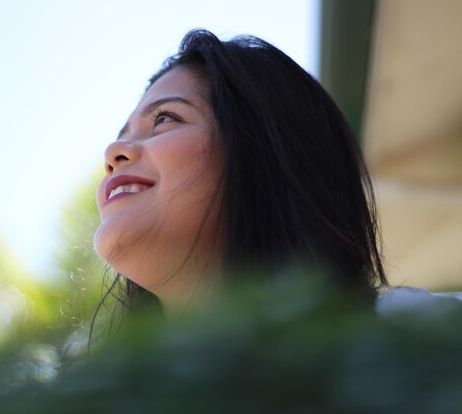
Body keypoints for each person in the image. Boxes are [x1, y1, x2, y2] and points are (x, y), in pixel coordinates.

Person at [92, 29, 388, 322]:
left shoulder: (408, 335)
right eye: (123, 134)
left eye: (164, 119)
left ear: (264, 150)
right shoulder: (124, 371)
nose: (113, 151)